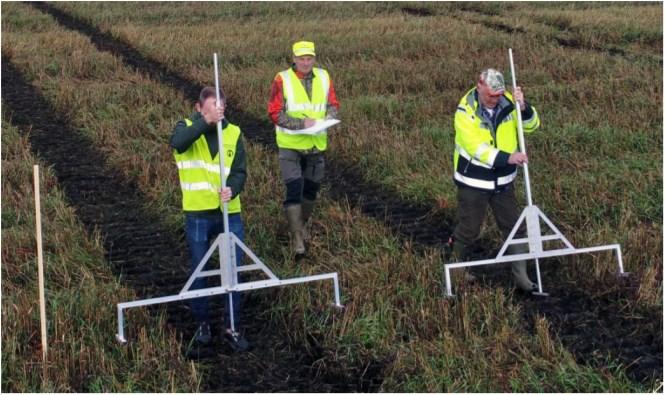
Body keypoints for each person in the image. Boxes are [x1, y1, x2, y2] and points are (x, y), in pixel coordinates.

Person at [170, 86, 249, 351]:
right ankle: (202, 326)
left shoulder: (234, 132)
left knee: (233, 271)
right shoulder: (186, 128)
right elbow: (178, 143)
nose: (217, 113)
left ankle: (232, 327)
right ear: (199, 108)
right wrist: (206, 123)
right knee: (200, 270)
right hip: (198, 214)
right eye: (211, 108)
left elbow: (239, 170)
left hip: (230, 212)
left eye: (220, 108)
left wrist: (233, 188)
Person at [449, 68, 541, 292]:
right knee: (469, 229)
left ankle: (521, 277)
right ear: (479, 85)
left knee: (514, 228)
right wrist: (508, 157)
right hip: (474, 181)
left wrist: (524, 108)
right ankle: (456, 270)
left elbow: (531, 126)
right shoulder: (465, 111)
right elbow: (476, 148)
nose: (495, 99)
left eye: (499, 95)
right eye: (491, 95)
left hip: (504, 181)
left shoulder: (509, 101)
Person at [267, 40, 340, 258]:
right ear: (294, 59)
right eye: (301, 59)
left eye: (309, 58)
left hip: (316, 145)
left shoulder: (324, 77)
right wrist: (301, 125)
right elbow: (274, 113)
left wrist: (329, 117)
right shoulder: (282, 79)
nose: (306, 62)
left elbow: (333, 105)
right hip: (290, 145)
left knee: (311, 191)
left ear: (314, 59)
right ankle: (298, 241)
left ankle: (298, 226)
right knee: (293, 189)